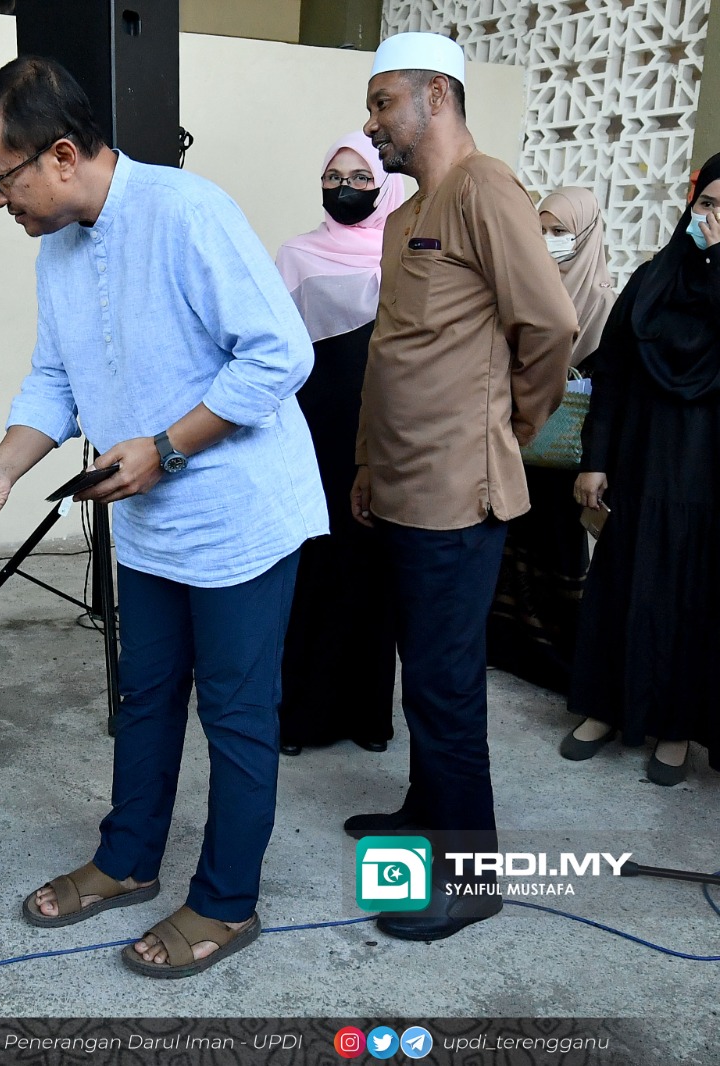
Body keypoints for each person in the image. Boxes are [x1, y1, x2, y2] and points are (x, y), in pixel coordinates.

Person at [0, 57, 326, 979]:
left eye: (1, 176)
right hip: (149, 523)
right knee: (143, 697)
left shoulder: (189, 212)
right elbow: (57, 380)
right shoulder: (59, 248)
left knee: (236, 713)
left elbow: (280, 357)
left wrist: (166, 446)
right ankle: (127, 862)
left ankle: (228, 903)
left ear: (62, 154)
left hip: (237, 519)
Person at [348, 32, 576, 940]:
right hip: (397, 483)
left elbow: (550, 324)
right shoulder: (407, 214)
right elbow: (393, 351)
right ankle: (423, 813)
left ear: (436, 95)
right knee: (421, 670)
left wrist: (512, 432)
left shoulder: (486, 188)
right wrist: (367, 461)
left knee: (446, 685)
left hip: (456, 489)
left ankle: (473, 874)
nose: (373, 126)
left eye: (383, 103)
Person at [563, 156, 720, 786]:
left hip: (706, 476)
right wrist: (595, 461)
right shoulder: (654, 278)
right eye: (707, 204)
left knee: (691, 597)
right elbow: (614, 376)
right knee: (621, 581)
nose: (714, 219)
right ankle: (604, 709)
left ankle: (675, 728)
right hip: (640, 462)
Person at [273, 131, 407, 757]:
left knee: (374, 568)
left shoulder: (407, 251)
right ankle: (300, 715)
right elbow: (274, 348)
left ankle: (366, 715)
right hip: (315, 428)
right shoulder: (297, 254)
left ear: (383, 182)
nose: (344, 188)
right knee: (313, 568)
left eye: (359, 176)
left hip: (385, 428)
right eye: (333, 177)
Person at [488, 187, 615, 692]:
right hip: (518, 442)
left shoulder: (606, 303)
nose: (547, 242)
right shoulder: (523, 288)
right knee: (510, 544)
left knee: (560, 553)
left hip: (566, 453)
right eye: (540, 231)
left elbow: (611, 384)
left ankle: (561, 662)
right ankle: (507, 647)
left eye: (560, 232)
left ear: (585, 236)